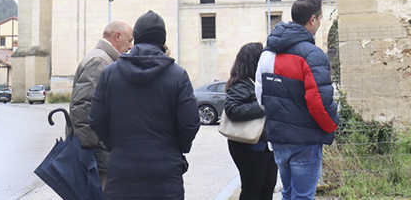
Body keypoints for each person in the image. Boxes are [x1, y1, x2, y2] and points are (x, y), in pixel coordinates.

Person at [89, 10, 201, 200]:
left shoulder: (110, 74)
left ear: (137, 39)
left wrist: (115, 145)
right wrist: (176, 149)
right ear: (161, 40)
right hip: (165, 173)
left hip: (122, 170)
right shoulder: (178, 75)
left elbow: (96, 120)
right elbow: (190, 123)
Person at [255, 0, 339, 200]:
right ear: (312, 19)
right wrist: (331, 127)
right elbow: (319, 103)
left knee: (288, 193)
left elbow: (260, 96)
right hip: (305, 140)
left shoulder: (268, 53)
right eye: (320, 18)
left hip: (278, 138)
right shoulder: (312, 55)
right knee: (302, 196)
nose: (320, 23)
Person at [69, 19, 133, 189]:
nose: (130, 47)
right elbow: (83, 107)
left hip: (98, 150)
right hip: (97, 152)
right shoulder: (100, 62)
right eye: (129, 41)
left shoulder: (103, 59)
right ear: (117, 37)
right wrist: (91, 150)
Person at [224, 42, 278, 200]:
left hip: (265, 146)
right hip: (248, 147)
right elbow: (232, 109)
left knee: (266, 189)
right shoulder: (242, 83)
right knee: (252, 190)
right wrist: (262, 105)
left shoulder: (259, 83)